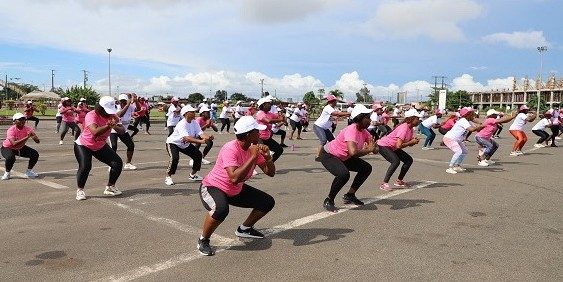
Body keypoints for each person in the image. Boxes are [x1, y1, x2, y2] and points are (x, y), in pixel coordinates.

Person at [197, 116, 276, 256]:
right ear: (248, 135)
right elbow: (234, 178)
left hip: (235, 190)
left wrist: (268, 158)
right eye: (256, 131)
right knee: (221, 210)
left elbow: (270, 173)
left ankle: (244, 229)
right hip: (212, 187)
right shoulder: (230, 148)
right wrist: (252, 157)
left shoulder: (254, 149)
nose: (259, 133)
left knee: (267, 202)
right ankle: (203, 239)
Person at [318, 104, 376, 212]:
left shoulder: (364, 132)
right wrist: (369, 149)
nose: (370, 120)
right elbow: (353, 152)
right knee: (343, 174)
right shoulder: (352, 130)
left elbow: (374, 147)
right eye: (367, 117)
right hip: (329, 155)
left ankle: (350, 195)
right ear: (360, 118)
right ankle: (329, 200)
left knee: (366, 168)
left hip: (343, 157)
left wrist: (374, 148)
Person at [74, 96, 125, 200]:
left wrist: (114, 125)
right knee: (85, 166)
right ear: (100, 108)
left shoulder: (113, 116)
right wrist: (108, 126)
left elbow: (122, 130)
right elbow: (95, 131)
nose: (108, 113)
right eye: (106, 111)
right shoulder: (91, 115)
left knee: (117, 163)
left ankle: (110, 187)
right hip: (84, 145)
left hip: (100, 145)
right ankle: (80, 190)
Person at [164, 105, 211, 185]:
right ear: (186, 114)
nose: (194, 113)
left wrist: (208, 137)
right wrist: (201, 141)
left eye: (194, 111)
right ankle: (168, 177)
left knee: (198, 155)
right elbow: (187, 138)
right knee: (175, 158)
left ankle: (193, 175)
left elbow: (200, 133)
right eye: (192, 112)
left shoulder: (194, 122)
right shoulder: (182, 124)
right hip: (173, 143)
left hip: (184, 144)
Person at [377, 110, 421, 191]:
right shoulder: (404, 127)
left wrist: (414, 141)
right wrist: (411, 142)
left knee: (408, 160)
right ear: (411, 119)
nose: (419, 120)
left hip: (393, 147)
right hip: (384, 145)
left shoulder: (410, 128)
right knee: (395, 161)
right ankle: (384, 184)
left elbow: (408, 143)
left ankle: (399, 181)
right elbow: (399, 145)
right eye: (417, 119)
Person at [443, 107, 484, 174]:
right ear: (468, 114)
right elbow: (471, 129)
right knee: (458, 151)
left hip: (457, 140)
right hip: (450, 138)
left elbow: (476, 128)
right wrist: (482, 125)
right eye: (472, 113)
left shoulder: (468, 121)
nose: (474, 115)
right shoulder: (463, 121)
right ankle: (450, 168)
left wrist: (482, 125)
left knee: (465, 151)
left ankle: (457, 166)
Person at [1, 113, 40, 180]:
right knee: (11, 157)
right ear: (14, 121)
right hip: (7, 148)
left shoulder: (28, 128)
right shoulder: (11, 130)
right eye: (20, 119)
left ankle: (29, 171)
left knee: (35, 154)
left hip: (20, 147)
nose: (22, 121)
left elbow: (38, 141)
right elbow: (14, 143)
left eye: (24, 119)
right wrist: (27, 137)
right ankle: (7, 173)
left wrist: (34, 137)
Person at [313, 95, 351, 160]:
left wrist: (347, 115)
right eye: (335, 101)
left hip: (324, 128)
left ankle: (332, 154)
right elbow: (336, 114)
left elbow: (338, 115)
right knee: (323, 140)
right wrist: (349, 113)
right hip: (318, 126)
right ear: (332, 101)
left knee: (333, 141)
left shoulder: (332, 108)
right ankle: (318, 156)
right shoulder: (328, 108)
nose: (336, 102)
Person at [110, 94, 140, 170]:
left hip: (123, 129)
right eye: (121, 101)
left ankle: (128, 163)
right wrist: (127, 104)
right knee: (114, 146)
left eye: (124, 101)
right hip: (114, 129)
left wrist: (136, 101)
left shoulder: (131, 107)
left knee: (131, 145)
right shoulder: (116, 107)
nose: (122, 103)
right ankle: (111, 164)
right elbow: (120, 114)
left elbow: (138, 109)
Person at [256, 97, 285, 162]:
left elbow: (278, 117)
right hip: (259, 138)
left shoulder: (269, 113)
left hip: (267, 138)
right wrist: (280, 119)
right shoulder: (260, 113)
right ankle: (252, 169)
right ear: (263, 105)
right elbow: (268, 121)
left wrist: (281, 115)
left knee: (279, 150)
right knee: (257, 154)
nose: (270, 105)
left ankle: (269, 164)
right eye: (268, 104)